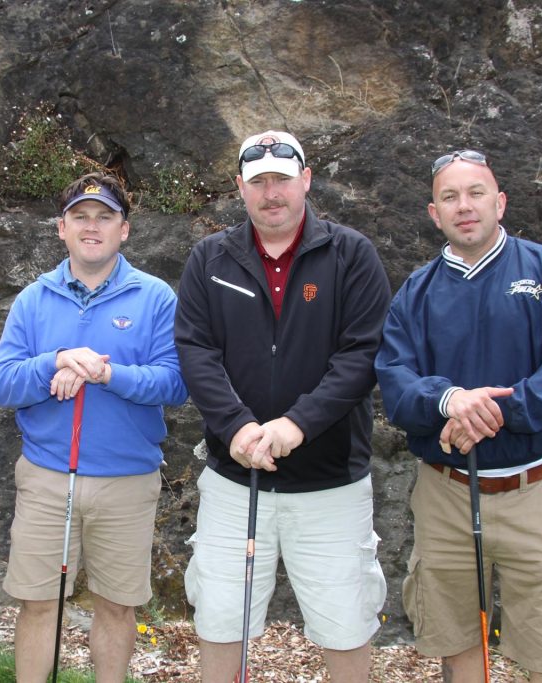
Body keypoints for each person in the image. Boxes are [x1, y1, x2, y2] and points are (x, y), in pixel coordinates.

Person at [174, 131, 392, 682]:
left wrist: (298, 424)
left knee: (346, 624)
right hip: (233, 480)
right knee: (220, 620)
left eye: (282, 180)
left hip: (330, 485)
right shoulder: (209, 258)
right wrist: (237, 428)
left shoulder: (351, 254)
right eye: (259, 182)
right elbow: (196, 352)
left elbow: (362, 355)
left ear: (306, 180)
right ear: (240, 188)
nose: (271, 193)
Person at [375, 150, 542, 682]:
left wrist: (485, 410)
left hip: (534, 493)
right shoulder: (416, 293)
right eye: (450, 197)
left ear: (500, 202)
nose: (464, 206)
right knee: (456, 644)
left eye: (476, 193)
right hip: (445, 496)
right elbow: (396, 383)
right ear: (435, 213)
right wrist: (448, 399)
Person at [0, 172, 187, 683]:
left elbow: (176, 383)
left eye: (104, 217)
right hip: (47, 478)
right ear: (62, 228)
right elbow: (2, 384)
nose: (91, 226)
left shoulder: (156, 297)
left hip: (127, 482)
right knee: (39, 604)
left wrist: (107, 374)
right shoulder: (34, 299)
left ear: (124, 229)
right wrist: (54, 362)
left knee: (117, 607)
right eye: (80, 216)